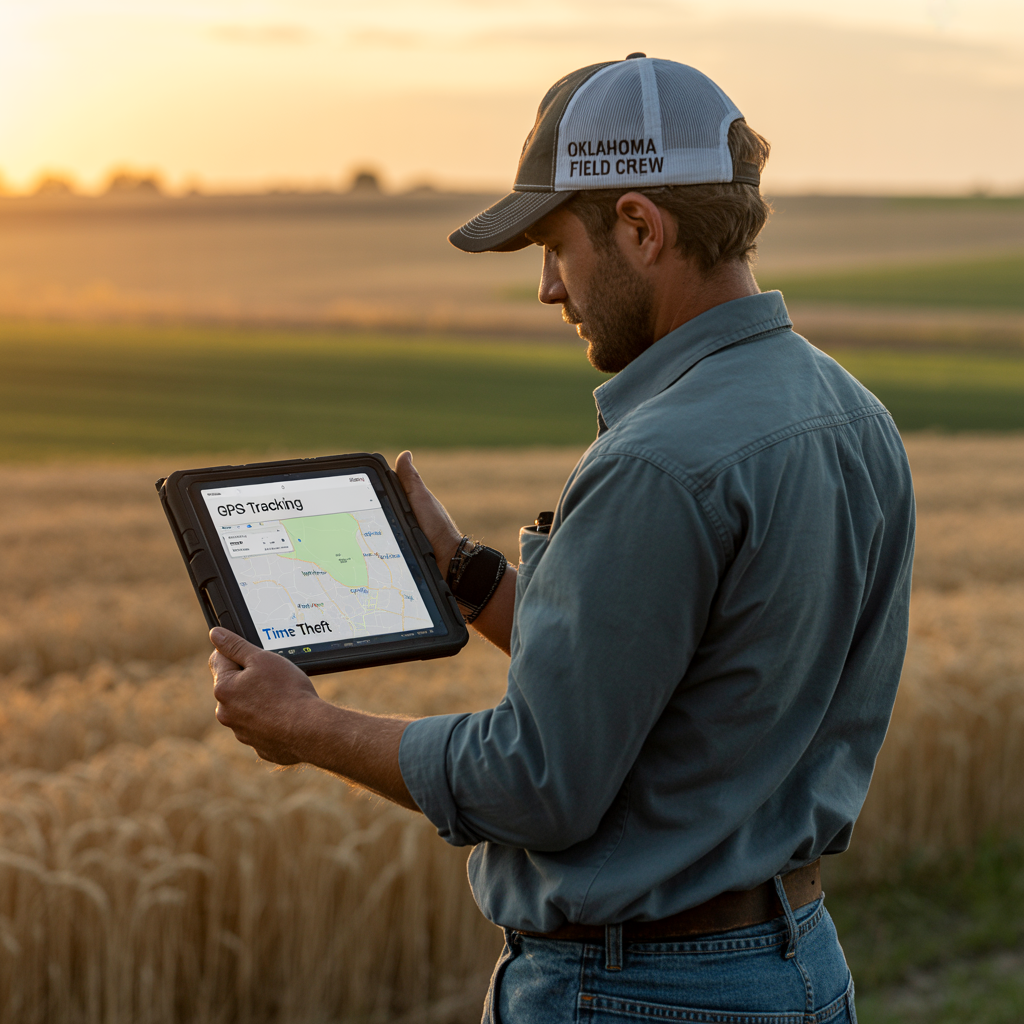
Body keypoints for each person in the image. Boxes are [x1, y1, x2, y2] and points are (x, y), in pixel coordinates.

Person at [209, 55, 915, 1023]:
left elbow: (539, 780)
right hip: (797, 968)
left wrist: (309, 728)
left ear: (639, 226)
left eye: (555, 245)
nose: (548, 288)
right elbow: (673, 686)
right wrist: (467, 576)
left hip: (640, 991)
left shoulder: (658, 459)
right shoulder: (851, 414)